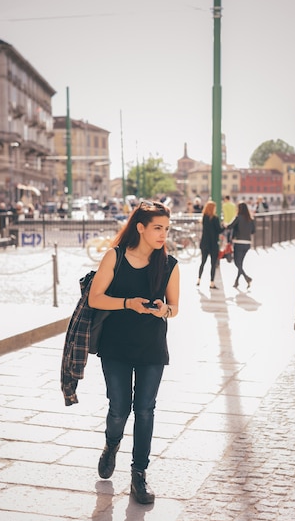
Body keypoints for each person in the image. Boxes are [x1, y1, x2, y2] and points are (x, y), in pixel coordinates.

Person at [88, 200, 179, 504]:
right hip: (115, 346)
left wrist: (163, 310)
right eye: (157, 228)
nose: (163, 234)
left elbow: (175, 308)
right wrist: (129, 303)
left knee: (145, 409)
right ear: (140, 228)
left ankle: (139, 473)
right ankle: (111, 444)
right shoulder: (114, 257)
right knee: (119, 408)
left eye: (166, 228)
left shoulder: (169, 264)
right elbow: (95, 298)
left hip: (152, 346)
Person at [226, 201, 255, 289]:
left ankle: (247, 277)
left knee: (237, 263)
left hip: (238, 243)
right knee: (240, 264)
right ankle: (237, 282)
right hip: (247, 243)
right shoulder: (251, 219)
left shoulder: (238, 217)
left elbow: (230, 226)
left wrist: (225, 225)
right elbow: (253, 231)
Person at [196, 200, 222, 289]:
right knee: (213, 264)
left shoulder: (204, 218)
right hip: (213, 244)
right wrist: (225, 226)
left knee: (202, 262)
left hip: (204, 243)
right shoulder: (215, 218)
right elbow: (219, 230)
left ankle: (198, 280)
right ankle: (211, 283)